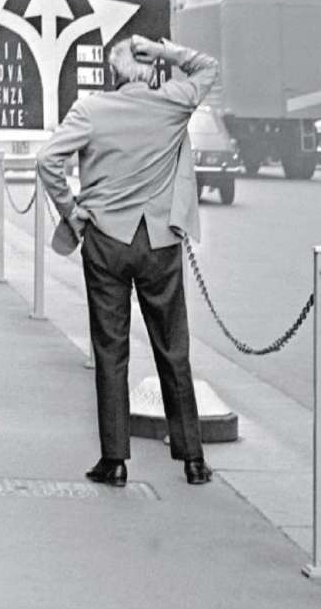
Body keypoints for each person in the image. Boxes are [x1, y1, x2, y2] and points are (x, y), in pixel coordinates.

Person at [36, 35, 219, 487]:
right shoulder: (172, 104)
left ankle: (114, 460)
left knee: (111, 349)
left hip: (106, 240)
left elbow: (47, 161)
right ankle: (193, 458)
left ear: (114, 73)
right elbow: (208, 68)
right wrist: (163, 51)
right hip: (158, 239)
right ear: (149, 70)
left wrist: (71, 209)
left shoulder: (91, 110)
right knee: (173, 349)